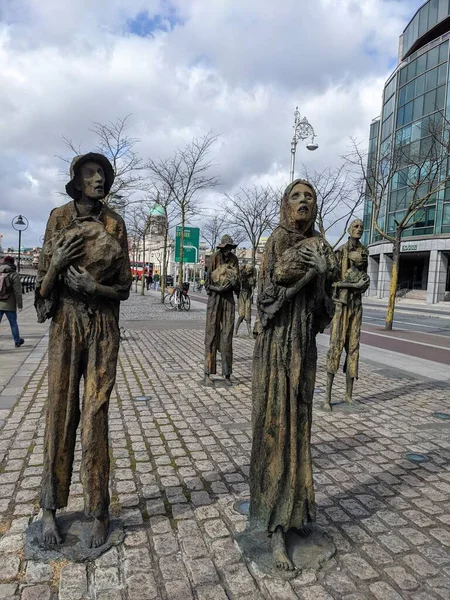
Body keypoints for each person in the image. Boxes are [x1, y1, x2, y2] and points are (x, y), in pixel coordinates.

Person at [35, 152, 132, 549]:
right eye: (90, 173)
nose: (98, 179)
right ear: (75, 179)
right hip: (66, 325)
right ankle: (49, 509)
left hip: (102, 327)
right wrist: (56, 265)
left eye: (103, 174)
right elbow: (42, 291)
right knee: (60, 410)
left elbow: (124, 287)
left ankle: (98, 510)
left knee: (95, 414)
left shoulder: (115, 223)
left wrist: (96, 289)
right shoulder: (59, 218)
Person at [249, 180, 338, 571]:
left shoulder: (321, 245)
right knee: (275, 428)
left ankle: (296, 513)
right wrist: (295, 279)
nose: (304, 201)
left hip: (303, 345)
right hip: (276, 348)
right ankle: (272, 523)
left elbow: (323, 314)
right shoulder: (277, 240)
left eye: (310, 197)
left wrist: (321, 279)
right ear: (285, 204)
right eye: (296, 196)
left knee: (299, 427)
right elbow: (264, 297)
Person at [325, 218, 370, 410]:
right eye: (355, 227)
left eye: (361, 227)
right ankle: (326, 397)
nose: (358, 229)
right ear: (348, 229)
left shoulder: (364, 252)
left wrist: (361, 286)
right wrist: (353, 285)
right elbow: (333, 284)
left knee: (353, 348)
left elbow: (364, 280)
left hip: (356, 306)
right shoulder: (340, 253)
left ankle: (349, 396)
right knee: (335, 346)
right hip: (341, 306)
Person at [204, 234, 239, 386]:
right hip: (214, 299)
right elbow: (207, 284)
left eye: (230, 248)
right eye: (225, 248)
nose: (228, 251)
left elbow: (239, 285)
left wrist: (232, 284)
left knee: (227, 336)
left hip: (228, 300)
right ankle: (207, 372)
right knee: (211, 334)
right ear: (221, 248)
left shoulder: (234, 260)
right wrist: (217, 288)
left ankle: (227, 374)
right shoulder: (213, 258)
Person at [0, 256, 24, 348]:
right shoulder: (14, 274)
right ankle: (17, 341)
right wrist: (20, 304)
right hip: (10, 304)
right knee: (13, 324)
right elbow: (18, 291)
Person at [235, 265, 256, 336]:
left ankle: (250, 332)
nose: (248, 272)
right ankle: (235, 331)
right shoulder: (241, 277)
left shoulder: (251, 278)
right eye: (248, 270)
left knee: (248, 315)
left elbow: (252, 289)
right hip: (241, 295)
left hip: (247, 296)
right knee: (241, 315)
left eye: (250, 271)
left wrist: (252, 294)